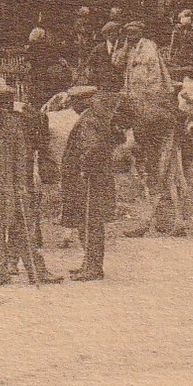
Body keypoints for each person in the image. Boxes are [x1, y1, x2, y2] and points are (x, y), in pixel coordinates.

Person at [0, 77, 52, 285]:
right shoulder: (14, 123)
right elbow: (21, 156)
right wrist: (23, 184)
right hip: (13, 184)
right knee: (23, 229)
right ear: (6, 100)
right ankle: (37, 272)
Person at [60, 86, 120, 281]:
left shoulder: (89, 120)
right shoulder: (95, 118)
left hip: (89, 180)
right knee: (87, 222)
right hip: (92, 178)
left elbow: (92, 148)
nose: (72, 106)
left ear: (83, 102)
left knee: (90, 223)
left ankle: (93, 268)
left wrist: (84, 168)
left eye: (74, 102)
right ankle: (89, 264)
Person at [116, 21, 172, 103]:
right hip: (133, 86)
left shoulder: (148, 45)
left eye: (133, 32)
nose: (130, 35)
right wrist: (125, 48)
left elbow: (153, 67)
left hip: (147, 84)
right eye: (128, 33)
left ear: (140, 33)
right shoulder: (129, 47)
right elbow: (118, 63)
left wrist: (151, 88)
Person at [80, 22, 125, 92]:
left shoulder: (124, 47)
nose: (112, 35)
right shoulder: (98, 49)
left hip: (120, 86)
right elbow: (89, 65)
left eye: (114, 31)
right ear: (105, 35)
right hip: (102, 86)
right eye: (108, 33)